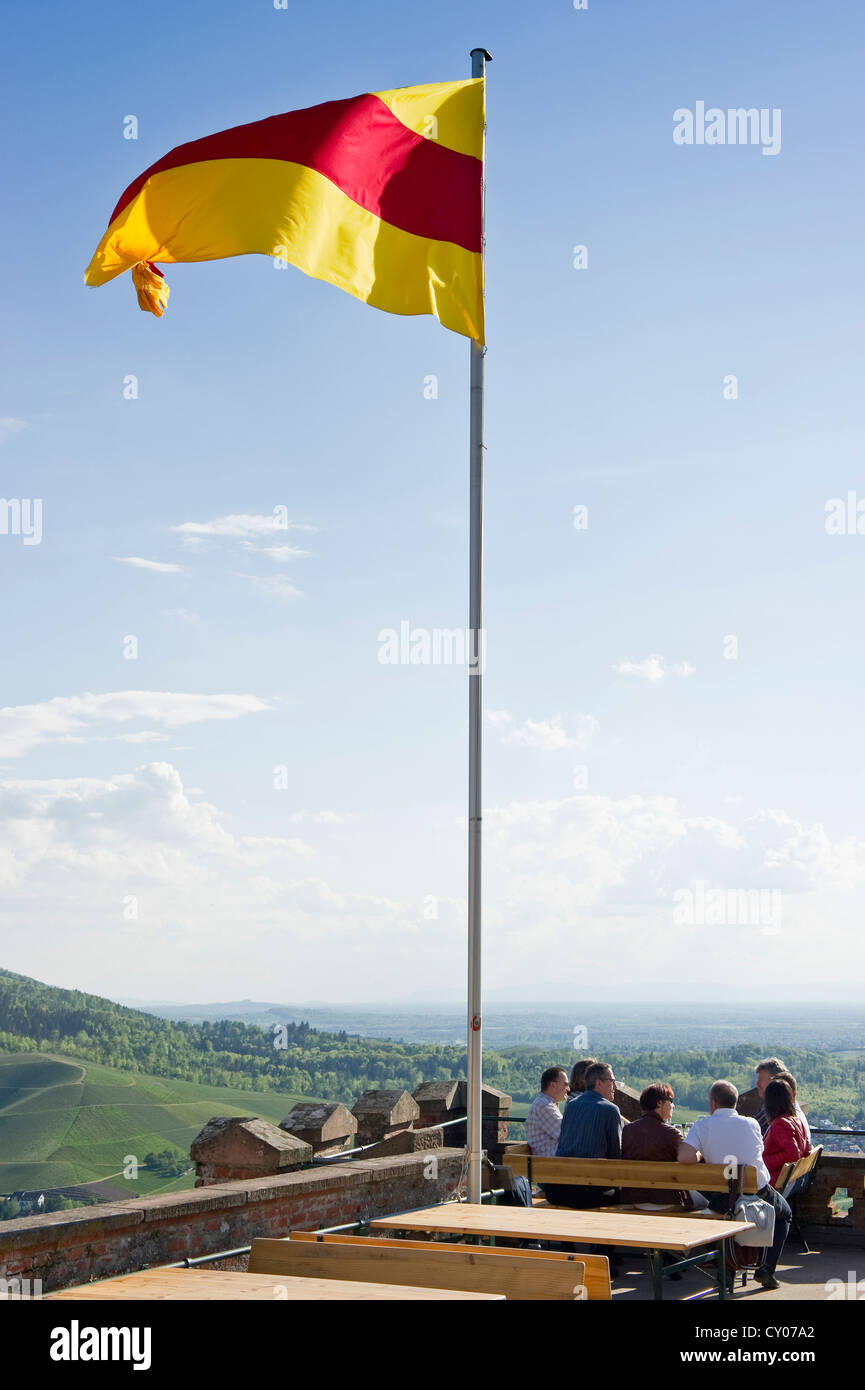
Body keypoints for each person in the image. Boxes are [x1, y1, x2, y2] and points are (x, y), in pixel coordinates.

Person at [678, 1080, 792, 1291]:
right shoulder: (752, 1124)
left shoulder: (703, 1125)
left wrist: (700, 1152)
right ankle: (766, 1268)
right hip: (757, 1192)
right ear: (736, 1103)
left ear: (713, 1102)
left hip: (724, 1197)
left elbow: (684, 1156)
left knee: (725, 1213)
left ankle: (726, 1268)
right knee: (785, 1214)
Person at [545, 1062, 622, 1208]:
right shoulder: (611, 1110)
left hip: (559, 1190)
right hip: (590, 1192)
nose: (615, 1087)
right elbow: (615, 1155)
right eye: (612, 1081)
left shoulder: (571, 1105)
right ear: (599, 1083)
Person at [620, 1083, 688, 1208]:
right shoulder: (671, 1134)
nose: (673, 1105)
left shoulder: (628, 1130)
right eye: (671, 1101)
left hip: (633, 1200)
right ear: (659, 1103)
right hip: (666, 1201)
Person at [762, 1079, 810, 1189]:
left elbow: (792, 1154)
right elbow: (806, 1149)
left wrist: (763, 1161)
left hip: (773, 1181)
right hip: (788, 1181)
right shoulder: (797, 1121)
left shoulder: (780, 1124)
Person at [525, 1066, 569, 1158]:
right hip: (548, 1166)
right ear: (553, 1085)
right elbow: (567, 1136)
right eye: (565, 1084)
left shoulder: (545, 1103)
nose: (568, 1089)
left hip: (548, 1163)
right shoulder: (544, 1106)